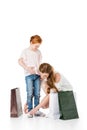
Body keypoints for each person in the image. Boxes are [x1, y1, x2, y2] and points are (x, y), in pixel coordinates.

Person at [18, 35, 44, 118]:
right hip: (28, 75)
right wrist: (27, 68)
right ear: (31, 43)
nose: (37, 47)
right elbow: (19, 61)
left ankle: (36, 110)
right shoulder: (25, 51)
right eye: (36, 46)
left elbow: (39, 64)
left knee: (37, 93)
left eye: (38, 46)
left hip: (37, 75)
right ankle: (30, 110)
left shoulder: (38, 52)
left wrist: (41, 73)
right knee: (29, 93)